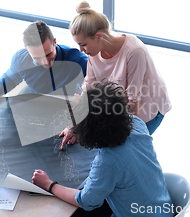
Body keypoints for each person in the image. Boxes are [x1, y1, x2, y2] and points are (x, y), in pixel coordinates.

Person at [32, 80, 173, 217]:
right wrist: (77, 128)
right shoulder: (138, 124)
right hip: (164, 209)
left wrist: (49, 185)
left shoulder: (107, 162)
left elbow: (86, 201)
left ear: (91, 133)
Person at [59, 2, 171, 149]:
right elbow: (89, 87)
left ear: (98, 36)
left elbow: (133, 101)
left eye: (83, 44)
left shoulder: (134, 51)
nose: (81, 50)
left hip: (146, 109)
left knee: (127, 151)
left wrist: (122, 137)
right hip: (120, 105)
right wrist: (75, 125)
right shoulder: (93, 51)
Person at [0, 20, 87, 107]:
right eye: (37, 58)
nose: (44, 62)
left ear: (55, 42)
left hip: (66, 107)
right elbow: (10, 79)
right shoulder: (20, 59)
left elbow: (96, 90)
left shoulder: (79, 61)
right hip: (34, 105)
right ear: (27, 50)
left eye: (48, 54)